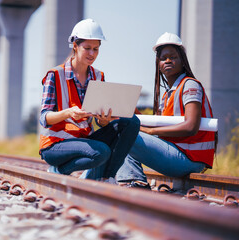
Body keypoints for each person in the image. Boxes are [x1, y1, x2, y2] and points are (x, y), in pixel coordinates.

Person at [39, 19, 140, 182]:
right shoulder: (55, 75)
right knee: (101, 152)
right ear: (75, 46)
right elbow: (44, 118)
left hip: (84, 140)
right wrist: (68, 113)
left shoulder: (98, 76)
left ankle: (107, 178)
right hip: (56, 144)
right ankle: (59, 169)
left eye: (96, 49)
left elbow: (98, 122)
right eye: (87, 48)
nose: (92, 54)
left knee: (131, 121)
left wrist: (104, 122)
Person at [116, 32, 217, 189]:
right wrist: (132, 112)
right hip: (179, 155)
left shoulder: (189, 85)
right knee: (120, 127)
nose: (168, 61)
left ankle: (134, 182)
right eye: (163, 58)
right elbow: (161, 130)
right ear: (158, 64)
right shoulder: (168, 94)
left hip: (189, 159)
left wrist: (148, 132)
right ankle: (131, 180)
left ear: (182, 61)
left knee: (125, 133)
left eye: (173, 57)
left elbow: (191, 127)